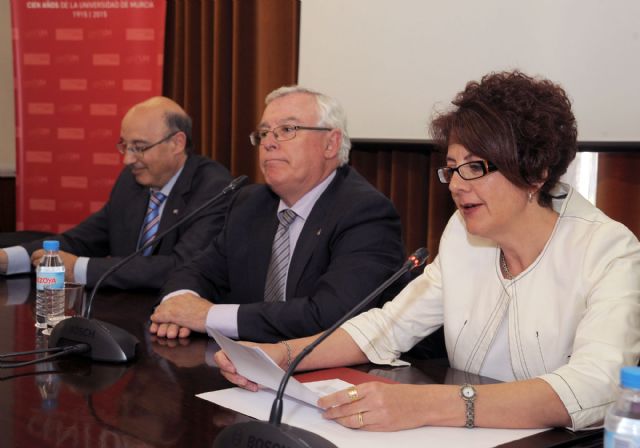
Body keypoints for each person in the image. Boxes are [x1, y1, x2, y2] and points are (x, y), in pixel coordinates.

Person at [215, 71, 640, 431]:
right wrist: (281, 355)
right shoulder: (462, 235)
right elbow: (389, 326)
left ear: (535, 172)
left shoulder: (608, 250)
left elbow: (597, 386)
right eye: (452, 169)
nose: (457, 185)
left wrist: (429, 404)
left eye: (475, 167)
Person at [149, 86, 406, 343]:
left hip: (326, 365)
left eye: (287, 130)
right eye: (264, 133)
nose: (269, 143)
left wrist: (208, 317)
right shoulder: (250, 203)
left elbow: (333, 315)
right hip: (243, 359)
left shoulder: (364, 212)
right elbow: (196, 271)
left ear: (330, 143)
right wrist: (177, 305)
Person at [0, 97, 232, 289]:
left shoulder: (214, 188)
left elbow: (180, 267)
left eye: (139, 148)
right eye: (125, 146)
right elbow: (82, 240)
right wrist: (9, 259)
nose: (128, 159)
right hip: (122, 311)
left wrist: (78, 268)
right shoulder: (130, 181)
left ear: (177, 143)